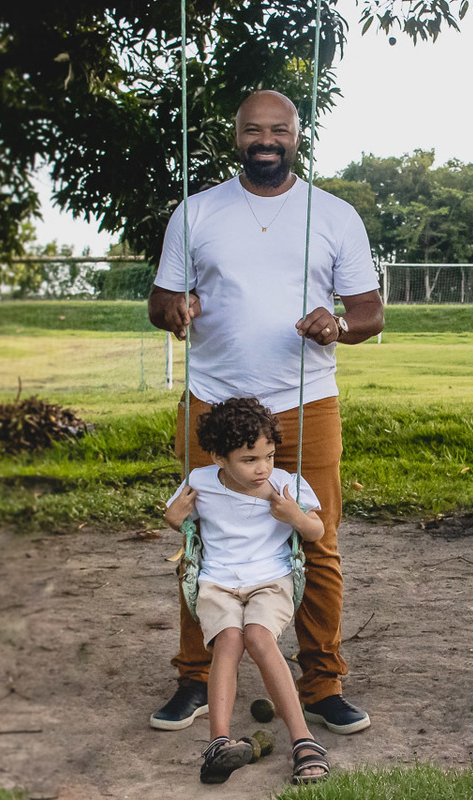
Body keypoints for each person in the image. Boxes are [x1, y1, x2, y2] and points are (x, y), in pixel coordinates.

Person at [148, 90, 384, 735]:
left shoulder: (334, 215)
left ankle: (322, 681)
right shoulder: (196, 212)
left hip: (304, 401)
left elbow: (370, 313)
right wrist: (176, 311)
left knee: (318, 540)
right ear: (236, 137)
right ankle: (194, 680)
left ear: (298, 136)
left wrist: (336, 324)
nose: (266, 139)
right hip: (214, 401)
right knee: (202, 538)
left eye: (278, 129)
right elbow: (161, 301)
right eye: (254, 129)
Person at [163, 398, 330, 785]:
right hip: (217, 582)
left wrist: (295, 517)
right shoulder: (200, 481)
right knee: (229, 639)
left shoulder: (285, 483)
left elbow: (317, 531)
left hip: (271, 580)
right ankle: (218, 743)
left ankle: (304, 741)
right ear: (219, 457)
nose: (262, 468)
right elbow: (179, 519)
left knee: (258, 635)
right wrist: (173, 519)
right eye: (249, 459)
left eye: (269, 456)